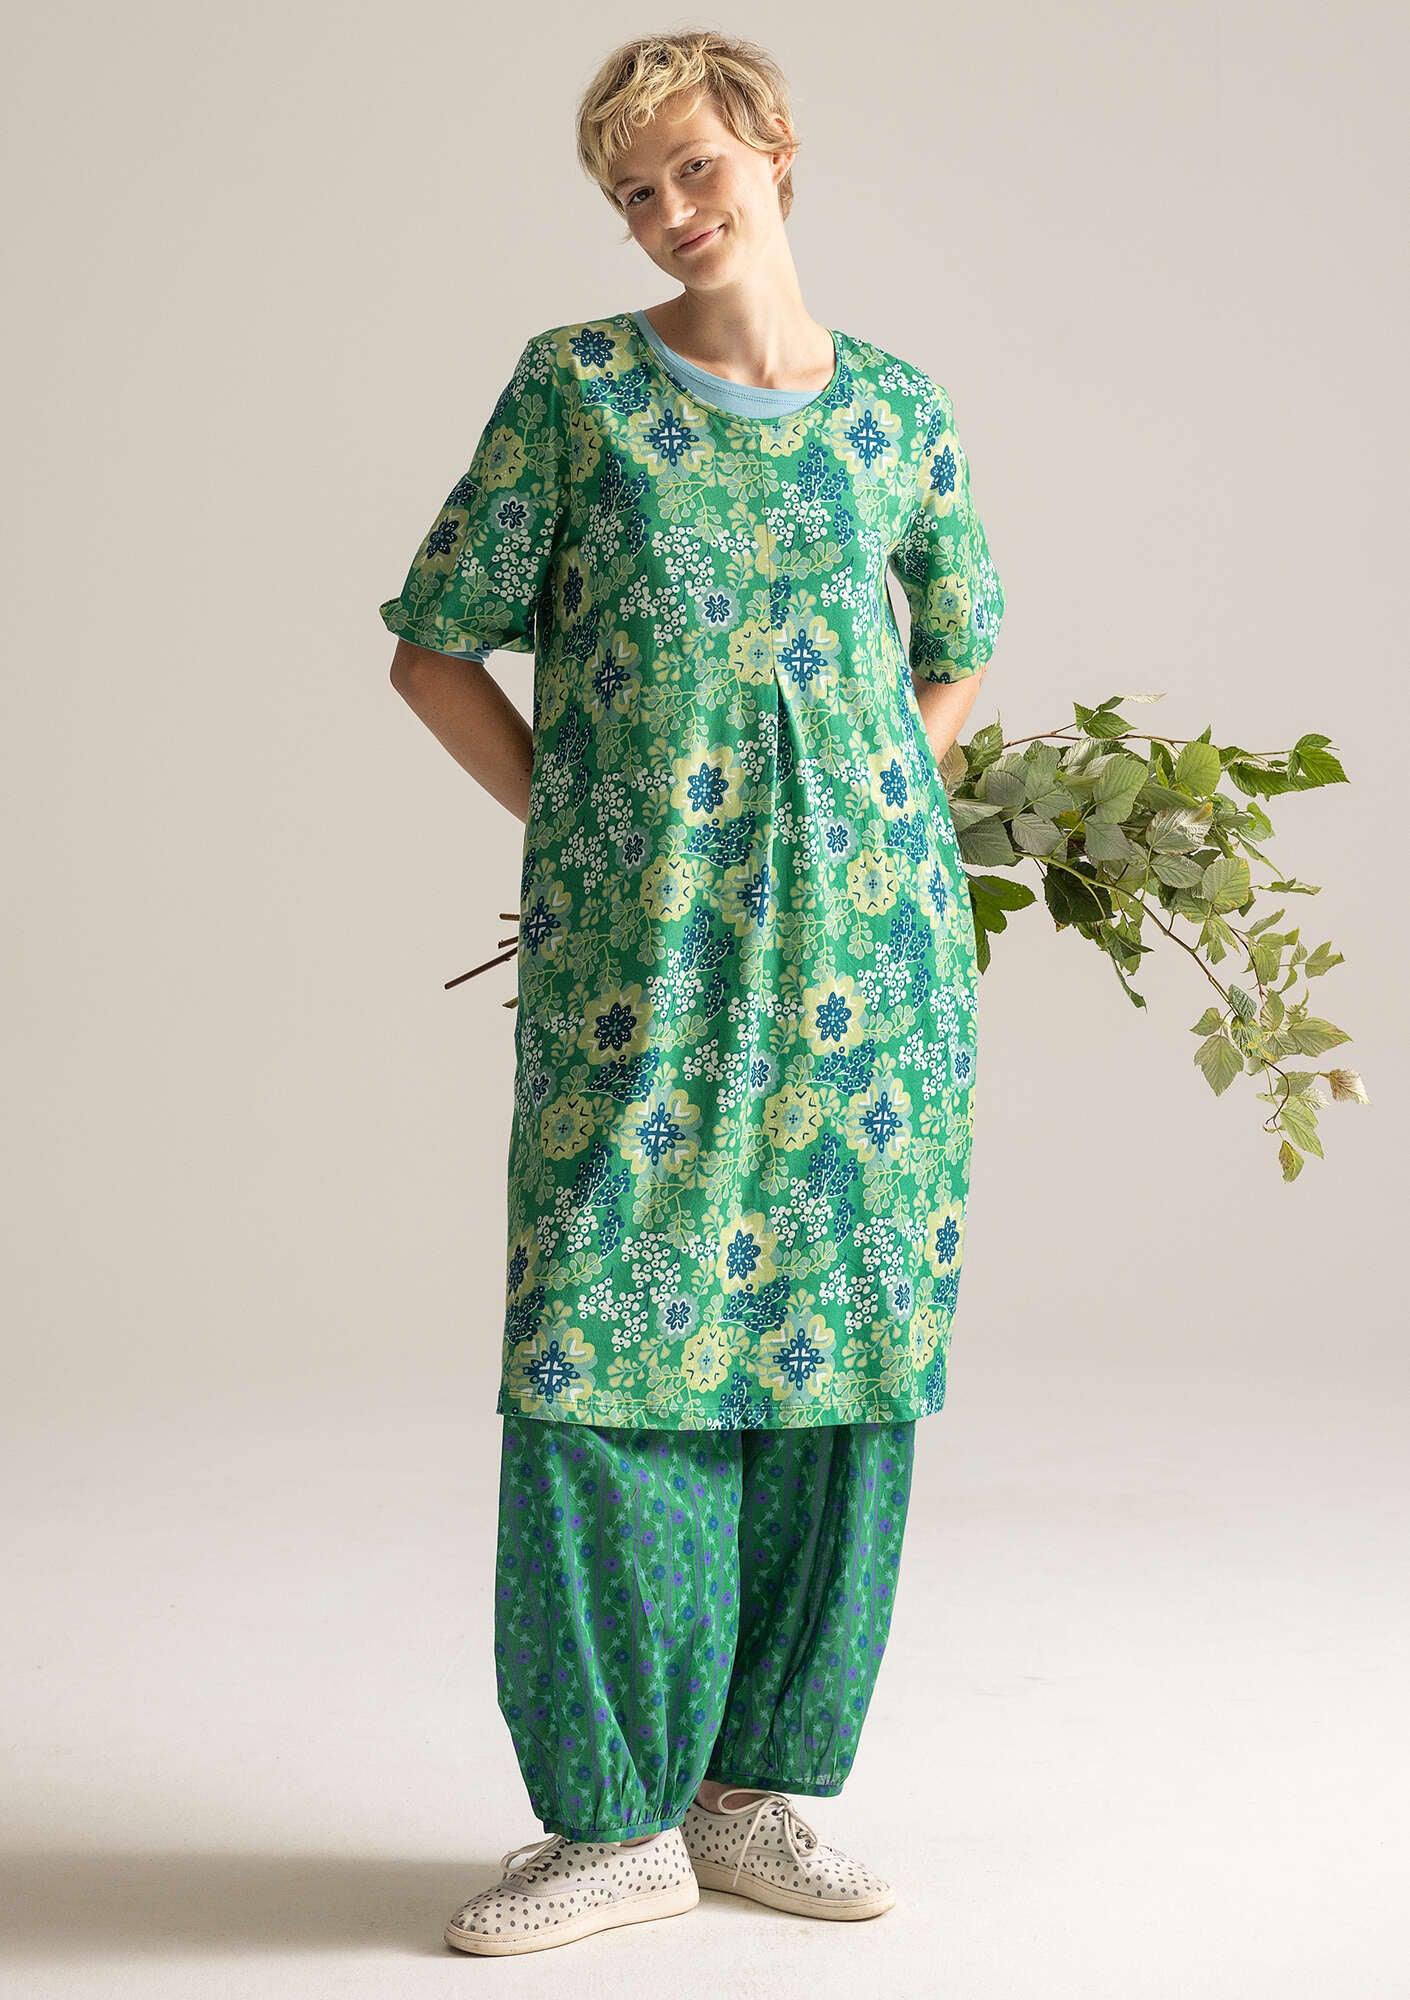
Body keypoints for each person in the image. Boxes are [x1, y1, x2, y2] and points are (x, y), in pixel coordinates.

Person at [379, 29, 1006, 1958]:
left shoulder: (897, 411)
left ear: (774, 151)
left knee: (840, 1355)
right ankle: (610, 1823)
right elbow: (432, 647)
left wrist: (878, 822)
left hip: (871, 984)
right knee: (601, 1346)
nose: (667, 211)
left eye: (692, 170)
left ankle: (751, 1800)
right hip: (638, 975)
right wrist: (595, 832)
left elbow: (960, 643)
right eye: (633, 192)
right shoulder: (573, 392)